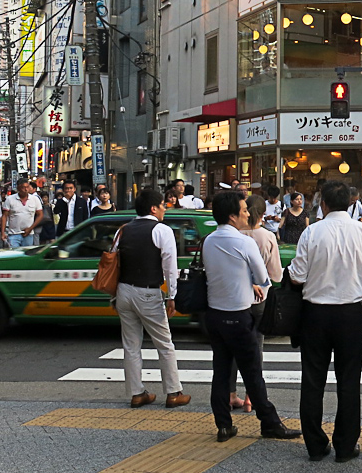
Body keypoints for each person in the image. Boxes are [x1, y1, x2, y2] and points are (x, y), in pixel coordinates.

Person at [289, 180, 362, 463]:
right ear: (352, 202)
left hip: (315, 313)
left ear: (324, 204)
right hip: (350, 313)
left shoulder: (311, 232)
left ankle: (316, 445)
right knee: (349, 380)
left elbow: (298, 275)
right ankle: (345, 445)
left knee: (313, 379)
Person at [202, 190, 300, 442]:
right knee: (253, 373)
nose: (248, 213)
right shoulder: (244, 243)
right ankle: (270, 423)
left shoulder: (209, 240)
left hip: (214, 315)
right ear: (233, 216)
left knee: (221, 371)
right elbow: (262, 278)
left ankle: (223, 425)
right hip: (239, 315)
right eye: (244, 210)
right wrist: (253, 283)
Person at [114, 188, 192, 410]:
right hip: (148, 292)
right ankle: (174, 392)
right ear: (153, 208)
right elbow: (170, 266)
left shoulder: (123, 230)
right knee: (164, 344)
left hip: (124, 291)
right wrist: (172, 296)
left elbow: (113, 262)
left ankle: (137, 393)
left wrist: (114, 294)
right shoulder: (161, 230)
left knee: (131, 345)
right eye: (162, 205)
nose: (165, 208)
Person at [228, 194, 284, 412]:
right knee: (255, 347)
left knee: (232, 347)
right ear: (262, 214)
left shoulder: (233, 235)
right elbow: (276, 274)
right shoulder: (267, 237)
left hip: (234, 298)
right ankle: (251, 396)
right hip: (260, 300)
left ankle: (231, 393)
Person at [1, 181, 43, 248]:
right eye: (23, 187)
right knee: (14, 255)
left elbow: (40, 215)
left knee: (26, 255)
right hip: (13, 234)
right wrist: (2, 232)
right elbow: (4, 216)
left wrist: (30, 228)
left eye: (27, 187)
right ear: (18, 188)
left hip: (28, 234)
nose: (26, 189)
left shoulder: (35, 199)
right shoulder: (10, 199)